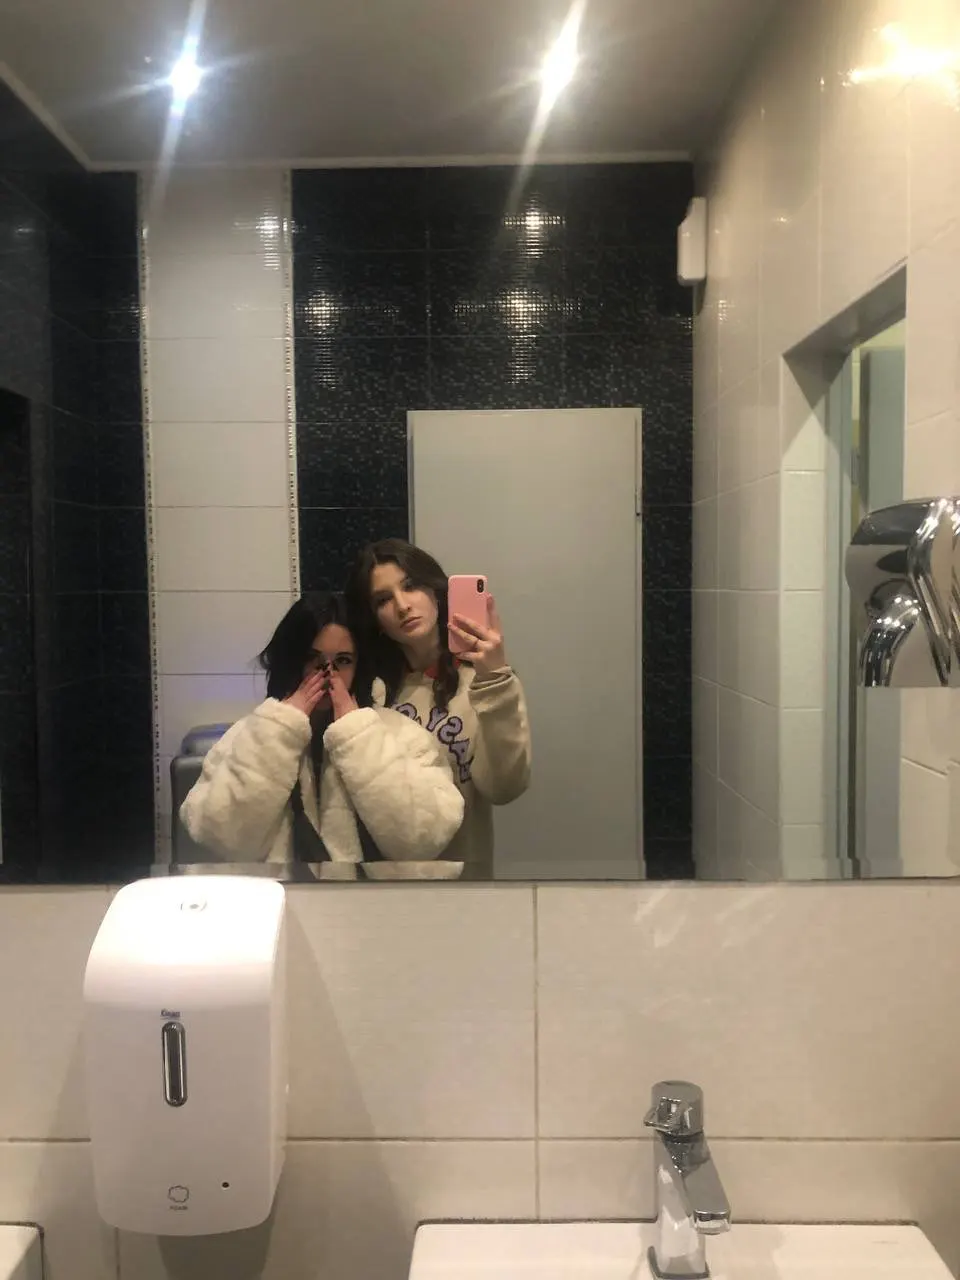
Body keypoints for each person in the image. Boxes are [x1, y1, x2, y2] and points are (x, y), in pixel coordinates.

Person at [180, 593, 465, 880]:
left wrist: (358, 735)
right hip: (279, 901)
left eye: (343, 661)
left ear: (360, 666)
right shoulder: (250, 735)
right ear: (291, 661)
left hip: (376, 903)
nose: (328, 674)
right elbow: (225, 840)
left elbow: (421, 842)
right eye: (312, 659)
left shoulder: (404, 735)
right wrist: (280, 729)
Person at [345, 539, 531, 879]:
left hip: (463, 885)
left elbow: (504, 789)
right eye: (383, 600)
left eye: (411, 586)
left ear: (435, 591)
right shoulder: (369, 693)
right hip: (380, 887)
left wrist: (495, 681)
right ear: (374, 619)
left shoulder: (486, 685)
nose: (402, 606)